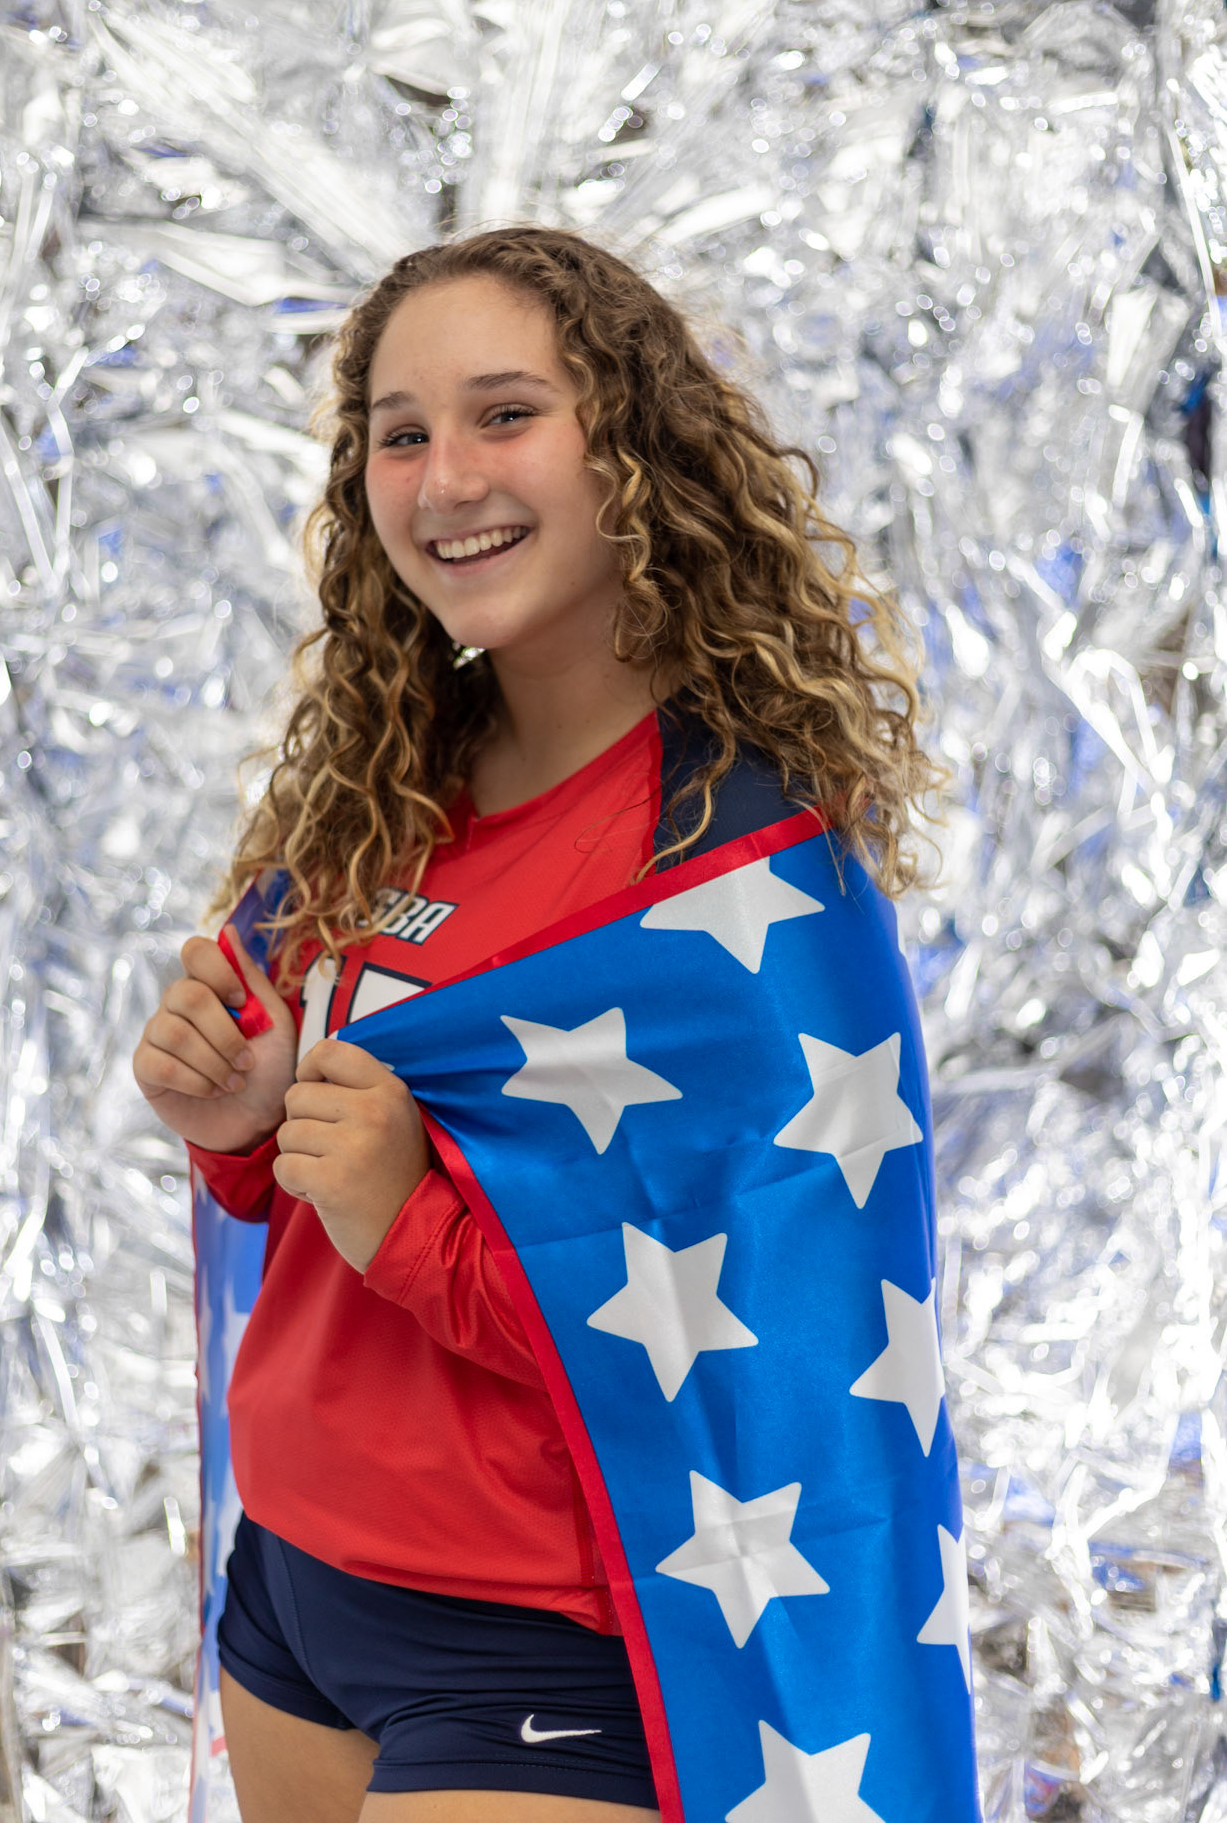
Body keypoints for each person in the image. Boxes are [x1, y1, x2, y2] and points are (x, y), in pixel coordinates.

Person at [132, 225, 942, 1823]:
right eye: (401, 432)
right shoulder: (383, 794)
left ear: (630, 447)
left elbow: (756, 1341)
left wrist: (401, 1218)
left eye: (507, 414)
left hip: (540, 1638)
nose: (446, 480)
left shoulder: (743, 874)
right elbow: (330, 1166)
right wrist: (240, 1131)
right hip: (292, 1591)